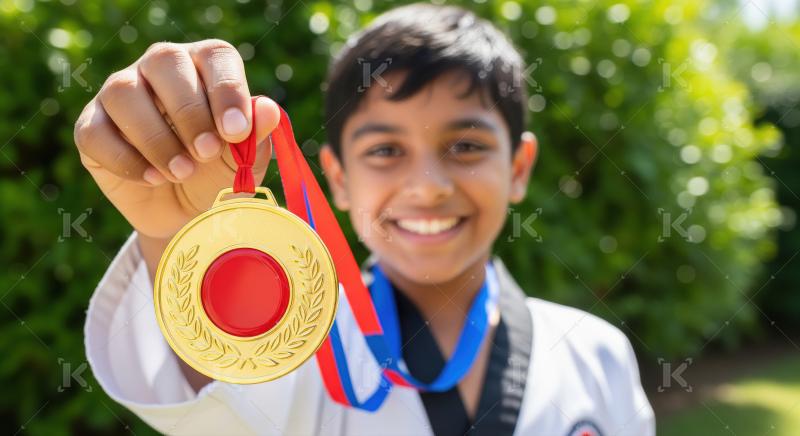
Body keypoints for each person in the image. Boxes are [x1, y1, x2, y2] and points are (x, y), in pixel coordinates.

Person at [75, 3, 655, 435]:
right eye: (384, 150)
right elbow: (212, 406)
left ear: (520, 166)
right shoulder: (298, 348)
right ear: (338, 178)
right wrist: (177, 231)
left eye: (467, 146)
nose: (428, 186)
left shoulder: (597, 353)